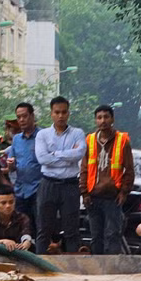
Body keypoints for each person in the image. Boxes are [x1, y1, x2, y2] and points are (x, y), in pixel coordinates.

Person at [79, 104, 134, 256]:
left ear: (112, 119)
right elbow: (84, 169)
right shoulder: (90, 140)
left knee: (112, 235)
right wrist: (84, 193)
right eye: (99, 117)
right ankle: (98, 271)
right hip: (93, 196)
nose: (103, 120)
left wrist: (124, 192)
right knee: (96, 236)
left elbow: (129, 170)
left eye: (106, 117)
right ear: (96, 120)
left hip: (112, 197)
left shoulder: (122, 140)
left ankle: (112, 271)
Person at [34, 96, 85, 256]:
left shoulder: (78, 133)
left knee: (71, 229)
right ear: (51, 114)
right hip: (48, 184)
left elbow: (79, 154)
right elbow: (42, 158)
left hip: (70, 185)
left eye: (64, 112)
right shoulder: (42, 134)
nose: (61, 116)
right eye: (57, 112)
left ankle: (73, 270)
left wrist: (54, 154)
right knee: (44, 229)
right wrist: (67, 156)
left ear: (68, 113)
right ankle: (39, 266)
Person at [5, 102, 42, 235]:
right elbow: (12, 166)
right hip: (21, 190)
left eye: (24, 116)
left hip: (39, 188)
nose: (21, 120)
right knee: (21, 227)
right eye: (18, 117)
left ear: (32, 116)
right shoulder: (16, 139)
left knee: (40, 227)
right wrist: (10, 164)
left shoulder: (43, 136)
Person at [0, 187, 33, 251]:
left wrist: (26, 243)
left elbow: (26, 234)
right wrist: (4, 242)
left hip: (18, 253)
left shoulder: (22, 218)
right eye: (3, 203)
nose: (8, 206)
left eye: (11, 202)